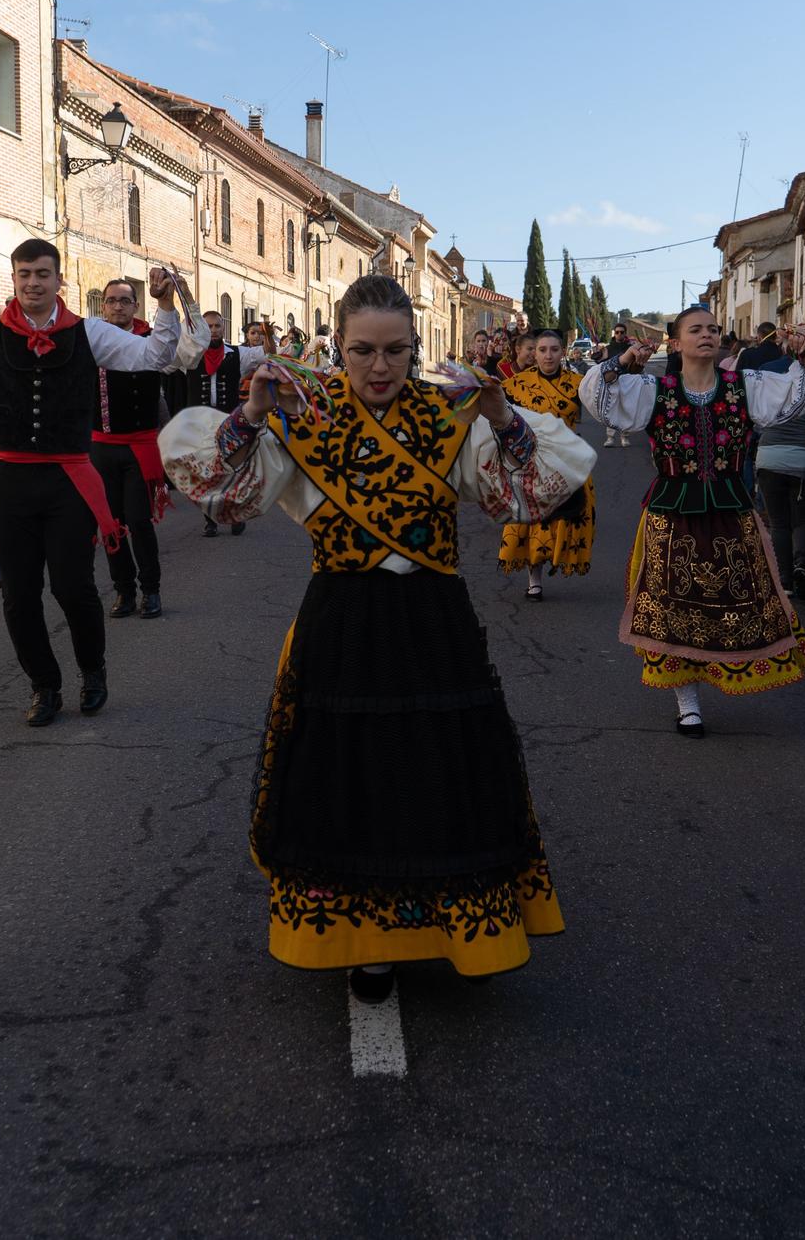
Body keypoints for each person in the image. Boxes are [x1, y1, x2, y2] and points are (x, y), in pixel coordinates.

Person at [160, 275, 595, 999]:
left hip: (433, 619)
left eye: (396, 350)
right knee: (349, 778)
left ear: (416, 348)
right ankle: (366, 940)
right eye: (363, 350)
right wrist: (251, 413)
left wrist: (497, 410)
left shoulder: (447, 413)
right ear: (339, 346)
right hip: (343, 618)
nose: (380, 366)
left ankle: (453, 927)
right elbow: (220, 486)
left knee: (438, 772)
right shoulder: (306, 414)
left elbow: (526, 490)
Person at [0, 246, 198, 725]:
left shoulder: (89, 332)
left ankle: (92, 670)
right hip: (11, 483)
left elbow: (154, 355)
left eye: (42, 275)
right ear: (13, 278)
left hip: (69, 481)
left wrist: (163, 306)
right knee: (18, 593)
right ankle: (44, 685)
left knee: (73, 587)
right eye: (24, 275)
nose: (32, 283)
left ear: (59, 280)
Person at [581, 306, 805, 737]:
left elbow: (797, 396)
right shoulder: (654, 389)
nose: (707, 335)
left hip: (731, 510)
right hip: (672, 512)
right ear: (675, 343)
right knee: (673, 605)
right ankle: (687, 701)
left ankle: (725, 671)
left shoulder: (745, 386)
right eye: (695, 330)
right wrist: (622, 362)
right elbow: (600, 399)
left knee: (735, 598)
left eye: (713, 329)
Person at [90, 279, 171, 619]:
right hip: (101, 448)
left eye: (124, 300)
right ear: (104, 306)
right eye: (111, 301)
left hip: (140, 446)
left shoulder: (153, 341)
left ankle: (150, 590)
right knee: (111, 524)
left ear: (135, 305)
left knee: (138, 521)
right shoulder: (91, 342)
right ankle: (124, 590)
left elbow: (187, 349)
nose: (117, 306)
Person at [497, 329, 595, 596]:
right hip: (531, 460)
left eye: (554, 349)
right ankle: (534, 578)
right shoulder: (517, 385)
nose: (548, 355)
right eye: (542, 350)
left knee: (565, 521)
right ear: (534, 353)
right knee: (531, 524)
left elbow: (606, 399)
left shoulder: (579, 383)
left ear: (562, 352)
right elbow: (495, 411)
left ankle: (557, 558)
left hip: (568, 460)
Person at [752, 331, 805, 602]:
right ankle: (802, 567)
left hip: (770, 458)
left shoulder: (776, 393)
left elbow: (759, 422)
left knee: (779, 523)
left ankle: (784, 580)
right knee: (803, 521)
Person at [178, 307, 256, 537]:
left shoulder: (236, 354)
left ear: (224, 328)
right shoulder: (191, 356)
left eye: (217, 326)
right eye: (208, 326)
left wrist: (268, 337)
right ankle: (210, 519)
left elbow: (267, 354)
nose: (213, 330)